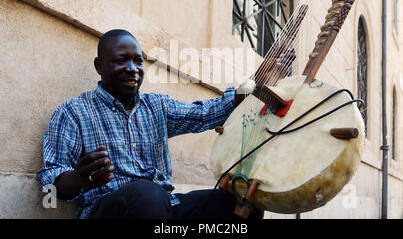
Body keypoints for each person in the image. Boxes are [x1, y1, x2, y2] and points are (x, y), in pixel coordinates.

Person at [37, 29, 290, 219]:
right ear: (99, 66)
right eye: (120, 60)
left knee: (244, 202)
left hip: (163, 209)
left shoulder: (156, 106)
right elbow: (49, 189)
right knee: (148, 195)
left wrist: (255, 83)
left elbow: (209, 112)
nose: (132, 69)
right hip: (106, 211)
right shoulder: (73, 112)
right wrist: (78, 179)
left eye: (138, 61)